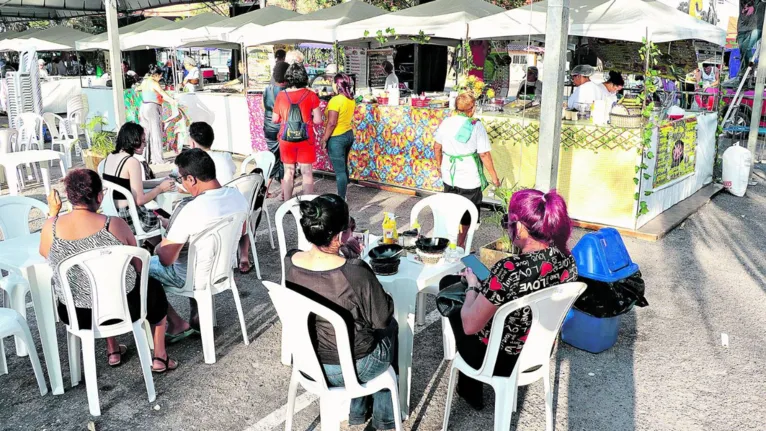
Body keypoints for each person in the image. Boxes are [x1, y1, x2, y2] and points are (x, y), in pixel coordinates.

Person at [439, 188, 578, 409]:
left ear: (521, 227)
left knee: (450, 289)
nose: (507, 227)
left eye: (508, 222)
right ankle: (468, 386)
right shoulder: (567, 261)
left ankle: (469, 385)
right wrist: (490, 283)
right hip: (537, 351)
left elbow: (469, 325)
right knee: (469, 289)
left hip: (500, 358)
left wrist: (473, 287)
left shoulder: (510, 268)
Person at [40, 169, 178, 372]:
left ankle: (113, 349)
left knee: (92, 287)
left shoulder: (50, 226)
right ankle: (160, 356)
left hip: (77, 313)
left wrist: (53, 214)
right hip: (124, 308)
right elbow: (139, 267)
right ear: (98, 196)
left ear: (69, 197)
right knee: (151, 288)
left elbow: (45, 253)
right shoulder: (113, 224)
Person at [284, 194, 398, 431]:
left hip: (307, 361)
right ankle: (384, 420)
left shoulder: (290, 261)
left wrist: (342, 252)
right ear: (338, 236)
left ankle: (357, 412)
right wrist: (354, 260)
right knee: (391, 327)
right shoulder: (354, 271)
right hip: (349, 368)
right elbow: (382, 317)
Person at [149, 149, 249, 339]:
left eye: (181, 179)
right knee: (194, 252)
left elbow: (166, 259)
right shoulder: (238, 196)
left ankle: (175, 323)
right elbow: (242, 231)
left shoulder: (188, 208)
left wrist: (159, 245)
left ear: (192, 180)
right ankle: (197, 312)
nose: (182, 184)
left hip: (191, 277)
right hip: (223, 269)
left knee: (141, 267)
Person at [434, 93, 501, 248]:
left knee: (452, 208)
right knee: (468, 211)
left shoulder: (446, 122)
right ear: (471, 109)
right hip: (468, 176)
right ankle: (461, 244)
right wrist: (494, 177)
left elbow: (437, 147)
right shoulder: (475, 125)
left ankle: (450, 240)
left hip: (449, 173)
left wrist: (439, 165)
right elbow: (483, 154)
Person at [103, 122, 176, 241]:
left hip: (113, 212)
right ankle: (162, 251)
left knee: (160, 213)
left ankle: (150, 247)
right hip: (130, 216)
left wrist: (158, 182)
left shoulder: (111, 156)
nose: (144, 144)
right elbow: (139, 200)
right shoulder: (131, 162)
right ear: (132, 141)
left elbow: (126, 185)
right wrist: (161, 188)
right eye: (142, 141)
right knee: (168, 218)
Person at [272, 63, 322, 200]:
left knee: (289, 171)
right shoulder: (311, 95)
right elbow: (318, 120)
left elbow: (275, 119)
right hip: (306, 138)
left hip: (286, 139)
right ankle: (308, 204)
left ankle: (287, 203)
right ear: (303, 77)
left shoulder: (281, 96)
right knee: (306, 171)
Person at [320, 73, 356, 200]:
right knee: (343, 166)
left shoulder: (335, 100)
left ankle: (341, 198)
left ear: (337, 84)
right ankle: (344, 192)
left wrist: (324, 139)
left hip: (337, 137)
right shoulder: (350, 99)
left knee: (340, 171)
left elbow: (331, 123)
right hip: (348, 134)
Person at [138, 65, 177, 165]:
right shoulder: (153, 83)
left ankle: (145, 157)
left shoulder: (144, 81)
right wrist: (172, 100)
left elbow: (137, 89)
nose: (161, 78)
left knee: (146, 134)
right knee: (156, 133)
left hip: (144, 107)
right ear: (156, 75)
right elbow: (162, 92)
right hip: (152, 108)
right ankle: (158, 159)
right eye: (160, 76)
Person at [263, 61, 290, 198]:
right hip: (280, 127)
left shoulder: (268, 87)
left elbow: (264, 106)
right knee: (283, 161)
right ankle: (282, 194)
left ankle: (266, 191)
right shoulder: (285, 91)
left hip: (268, 126)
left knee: (274, 158)